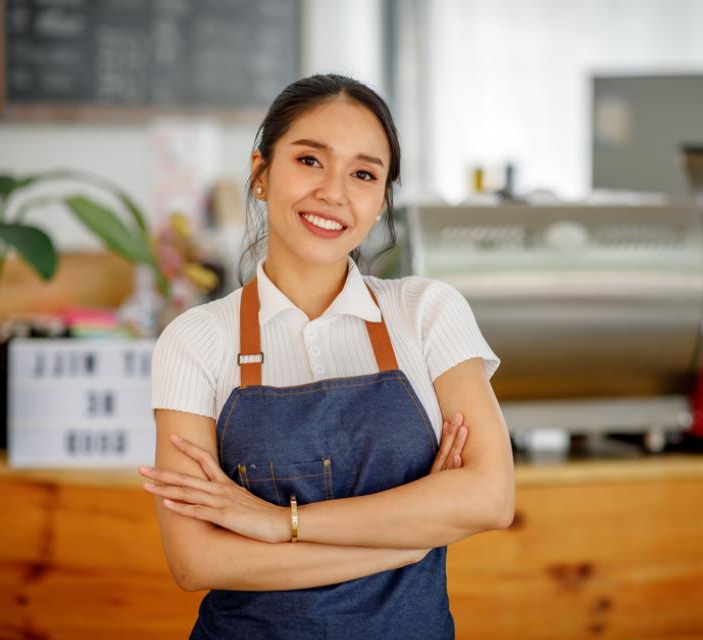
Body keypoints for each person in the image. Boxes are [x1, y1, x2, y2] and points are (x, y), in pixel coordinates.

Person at [142, 73, 515, 639]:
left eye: (363, 173)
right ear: (261, 174)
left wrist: (278, 525)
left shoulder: (428, 313)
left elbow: (491, 498)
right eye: (310, 160)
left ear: (380, 201)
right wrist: (411, 541)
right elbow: (199, 562)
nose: (334, 192)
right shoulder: (196, 340)